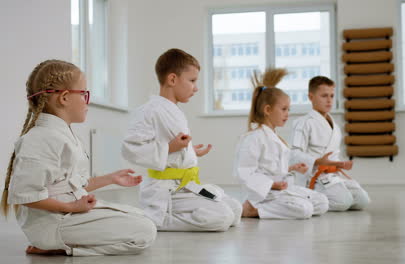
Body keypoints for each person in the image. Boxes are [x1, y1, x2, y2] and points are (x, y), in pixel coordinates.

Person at [1, 59, 156, 256]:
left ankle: (58, 244)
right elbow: (25, 195)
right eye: (83, 94)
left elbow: (71, 187)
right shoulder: (40, 138)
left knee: (142, 217)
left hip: (66, 216)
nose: (86, 100)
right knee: (145, 231)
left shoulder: (62, 134)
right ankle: (56, 245)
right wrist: (70, 207)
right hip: (54, 224)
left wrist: (111, 179)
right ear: (64, 97)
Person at [122, 49, 241, 231]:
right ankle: (158, 219)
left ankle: (168, 215)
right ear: (172, 80)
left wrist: (191, 152)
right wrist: (169, 148)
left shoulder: (173, 110)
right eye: (192, 81)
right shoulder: (149, 110)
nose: (196, 88)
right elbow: (130, 149)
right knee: (223, 217)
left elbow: (174, 150)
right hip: (165, 191)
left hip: (184, 186)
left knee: (235, 208)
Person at [233, 68, 329, 219]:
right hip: (265, 195)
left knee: (322, 202)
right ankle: (252, 210)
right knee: (304, 210)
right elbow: (245, 172)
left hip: (281, 190)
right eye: (284, 109)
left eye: (288, 109)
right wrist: (272, 184)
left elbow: (272, 168)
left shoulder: (275, 137)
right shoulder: (253, 138)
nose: (287, 114)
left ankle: (283, 205)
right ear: (268, 110)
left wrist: (292, 168)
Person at [290, 76, 370, 211]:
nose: (329, 100)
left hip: (332, 176)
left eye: (332, 96)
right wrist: (317, 161)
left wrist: (339, 164)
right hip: (313, 176)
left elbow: (333, 156)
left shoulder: (335, 126)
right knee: (343, 203)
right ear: (311, 97)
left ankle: (326, 194)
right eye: (324, 96)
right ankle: (305, 196)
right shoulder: (303, 123)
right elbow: (294, 154)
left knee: (362, 200)